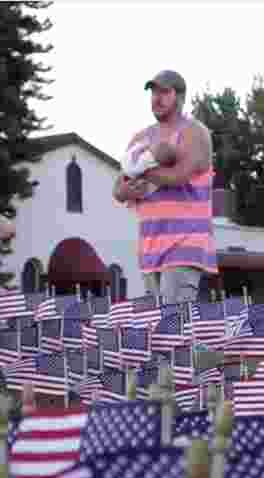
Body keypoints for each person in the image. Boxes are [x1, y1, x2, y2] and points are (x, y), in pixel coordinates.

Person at [112, 69, 216, 304]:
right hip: (150, 246)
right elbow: (118, 188)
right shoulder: (139, 138)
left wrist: (140, 170)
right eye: (153, 92)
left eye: (164, 92)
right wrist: (125, 190)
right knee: (158, 322)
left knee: (174, 318)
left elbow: (178, 176)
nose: (156, 98)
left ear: (180, 97)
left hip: (185, 243)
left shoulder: (194, 132)